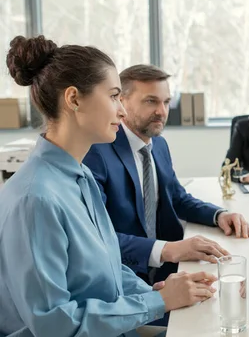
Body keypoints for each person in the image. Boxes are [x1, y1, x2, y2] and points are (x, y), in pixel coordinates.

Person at [0, 36, 215, 337]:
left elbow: (109, 269)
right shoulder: (35, 199)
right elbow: (55, 325)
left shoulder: (80, 176)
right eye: (114, 96)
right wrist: (157, 302)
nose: (122, 111)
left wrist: (159, 292)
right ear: (74, 99)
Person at [83, 65, 249, 299]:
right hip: (127, 283)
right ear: (122, 101)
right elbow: (97, 238)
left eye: (166, 102)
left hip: (169, 271)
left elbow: (177, 198)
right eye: (151, 101)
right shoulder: (97, 153)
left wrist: (219, 215)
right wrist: (169, 250)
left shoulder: (158, 145)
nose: (162, 111)